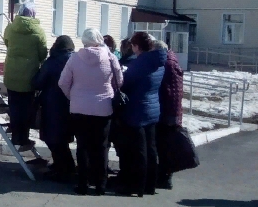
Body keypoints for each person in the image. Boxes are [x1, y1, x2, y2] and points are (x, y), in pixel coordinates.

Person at [58, 28, 122, 196]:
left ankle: (83, 184)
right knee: (101, 147)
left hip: (79, 108)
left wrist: (73, 96)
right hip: (103, 107)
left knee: (83, 146)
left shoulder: (74, 58)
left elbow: (63, 82)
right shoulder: (110, 57)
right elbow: (120, 80)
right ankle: (101, 185)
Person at [118, 32, 166, 197]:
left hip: (137, 110)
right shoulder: (158, 61)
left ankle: (137, 186)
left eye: (133, 45)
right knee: (151, 149)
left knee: (139, 151)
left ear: (137, 46)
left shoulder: (140, 63)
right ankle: (150, 185)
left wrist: (123, 75)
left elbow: (125, 83)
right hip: (152, 108)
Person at [3, 2, 48, 148]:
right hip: (29, 77)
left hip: (11, 74)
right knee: (27, 109)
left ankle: (15, 136)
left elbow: (7, 43)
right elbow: (43, 54)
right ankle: (23, 138)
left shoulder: (10, 28)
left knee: (14, 106)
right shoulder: (39, 31)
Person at [32, 35, 76, 182]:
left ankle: (64, 169)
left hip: (52, 104)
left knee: (53, 139)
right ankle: (65, 167)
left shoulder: (52, 61)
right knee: (63, 138)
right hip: (73, 104)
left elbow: (38, 82)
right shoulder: (76, 59)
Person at [154, 40, 183, 190]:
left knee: (164, 147)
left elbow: (164, 89)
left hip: (166, 111)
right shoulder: (173, 62)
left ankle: (165, 178)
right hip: (173, 111)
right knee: (166, 146)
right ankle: (165, 176)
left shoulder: (166, 64)